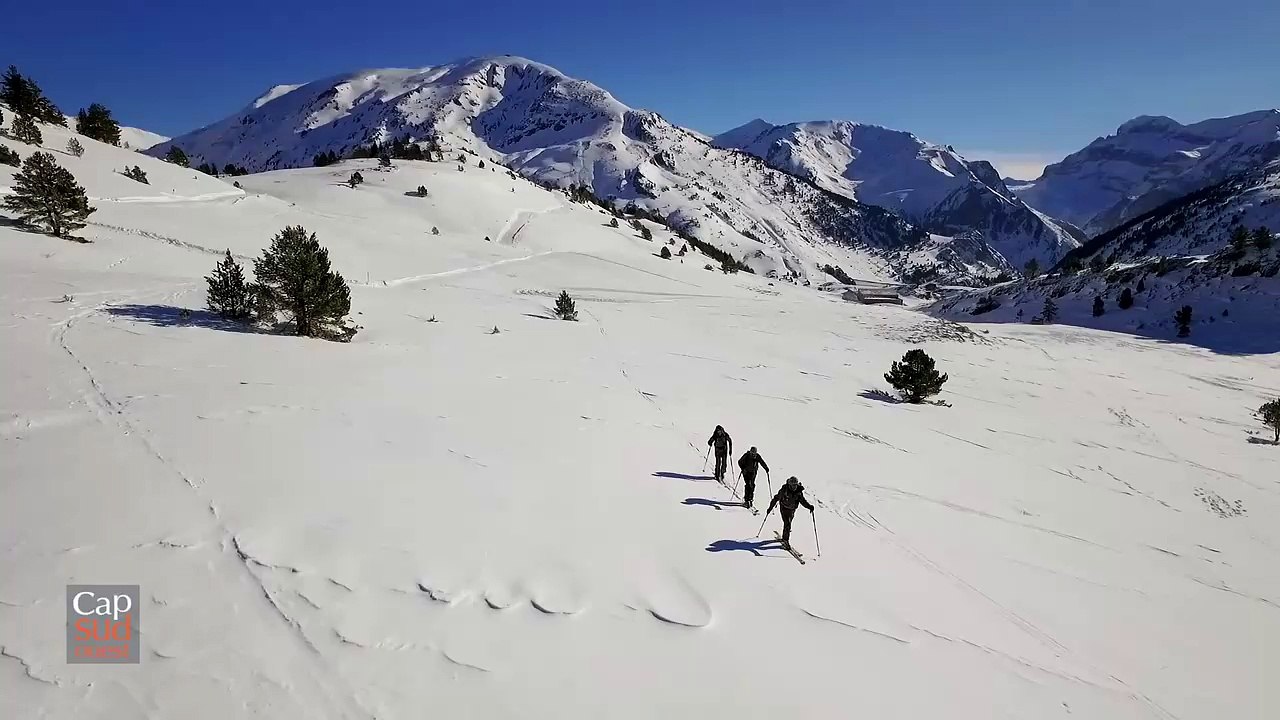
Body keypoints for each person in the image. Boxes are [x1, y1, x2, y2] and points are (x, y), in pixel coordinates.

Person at [766, 477, 814, 549]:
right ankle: (785, 540)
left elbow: (803, 501)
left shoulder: (798, 492)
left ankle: (784, 536)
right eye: (793, 485)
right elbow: (776, 498)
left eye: (795, 485)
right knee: (787, 523)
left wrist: (809, 507)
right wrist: (770, 508)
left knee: (788, 523)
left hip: (792, 510)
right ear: (789, 485)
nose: (794, 487)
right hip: (784, 508)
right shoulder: (784, 490)